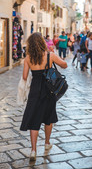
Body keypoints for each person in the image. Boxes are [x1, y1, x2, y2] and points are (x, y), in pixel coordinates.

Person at [20, 32, 67, 161]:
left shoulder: (28, 58)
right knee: (48, 118)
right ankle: (47, 143)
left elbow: (24, 77)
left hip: (35, 91)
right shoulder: (49, 56)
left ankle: (33, 151)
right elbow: (64, 65)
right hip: (48, 91)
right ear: (42, 43)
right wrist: (52, 53)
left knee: (34, 121)